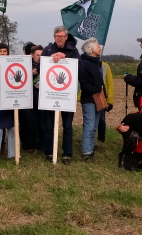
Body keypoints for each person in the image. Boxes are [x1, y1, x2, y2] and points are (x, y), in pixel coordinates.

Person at [41, 26, 81, 162]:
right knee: (49, 126)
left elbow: (80, 67)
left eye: (62, 36)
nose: (59, 38)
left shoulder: (73, 51)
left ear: (66, 37)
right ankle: (49, 152)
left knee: (67, 126)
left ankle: (67, 154)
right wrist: (49, 59)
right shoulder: (47, 50)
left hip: (67, 95)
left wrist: (66, 58)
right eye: (57, 36)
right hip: (50, 94)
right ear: (54, 37)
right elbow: (40, 67)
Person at [77, 38, 105, 162]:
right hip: (89, 99)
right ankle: (87, 152)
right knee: (89, 125)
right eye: (98, 47)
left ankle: (91, 148)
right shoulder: (84, 64)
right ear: (91, 49)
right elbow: (84, 83)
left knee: (94, 126)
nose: (100, 49)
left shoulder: (96, 63)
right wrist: (95, 90)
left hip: (98, 98)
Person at [97, 58, 115, 143]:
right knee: (89, 121)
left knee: (101, 119)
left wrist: (109, 101)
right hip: (89, 97)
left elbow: (109, 84)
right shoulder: (85, 63)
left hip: (102, 97)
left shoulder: (105, 65)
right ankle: (89, 141)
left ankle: (101, 140)